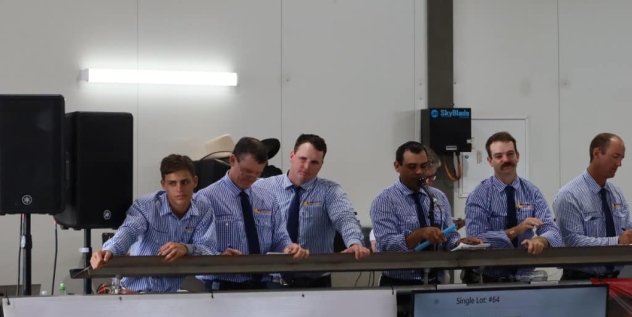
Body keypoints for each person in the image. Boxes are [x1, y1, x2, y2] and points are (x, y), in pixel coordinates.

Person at [91, 154, 218, 293]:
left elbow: (209, 251)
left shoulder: (203, 208)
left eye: (185, 182)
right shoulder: (146, 206)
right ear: (163, 184)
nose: (179, 189)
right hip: (134, 293)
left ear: (195, 181)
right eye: (172, 183)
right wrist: (109, 250)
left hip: (172, 295)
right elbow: (129, 230)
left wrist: (187, 249)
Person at [256, 134, 369, 288]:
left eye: (314, 162)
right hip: (271, 282)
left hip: (315, 284)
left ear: (321, 165)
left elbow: (345, 218)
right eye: (303, 159)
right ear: (292, 156)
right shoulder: (262, 188)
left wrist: (355, 242)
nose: (307, 166)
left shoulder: (330, 191)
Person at [196, 137, 308, 291]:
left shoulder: (267, 198)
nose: (251, 178)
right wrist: (217, 257)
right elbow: (194, 245)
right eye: (247, 171)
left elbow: (280, 238)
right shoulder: (205, 199)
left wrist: (289, 248)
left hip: (263, 285)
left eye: (257, 173)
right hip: (223, 287)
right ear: (233, 160)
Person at [369, 141, 481, 286]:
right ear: (397, 166)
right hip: (399, 283)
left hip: (436, 280)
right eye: (412, 167)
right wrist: (419, 234)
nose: (419, 172)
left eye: (423, 166)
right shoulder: (384, 200)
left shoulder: (438, 196)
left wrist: (459, 243)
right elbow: (386, 245)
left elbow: (449, 234)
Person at [553, 133, 632, 281]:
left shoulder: (617, 194)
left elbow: (627, 232)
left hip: (615, 280)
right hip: (581, 281)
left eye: (621, 158)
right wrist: (617, 241)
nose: (619, 164)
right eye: (615, 156)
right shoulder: (569, 195)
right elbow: (573, 242)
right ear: (596, 153)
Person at [465, 131, 562, 283]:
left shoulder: (531, 191)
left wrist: (542, 240)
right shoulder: (479, 195)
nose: (505, 160)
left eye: (510, 154)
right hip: (488, 279)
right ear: (490, 161)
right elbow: (476, 239)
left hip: (524, 278)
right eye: (499, 156)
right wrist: (515, 231)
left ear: (518, 156)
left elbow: (552, 230)